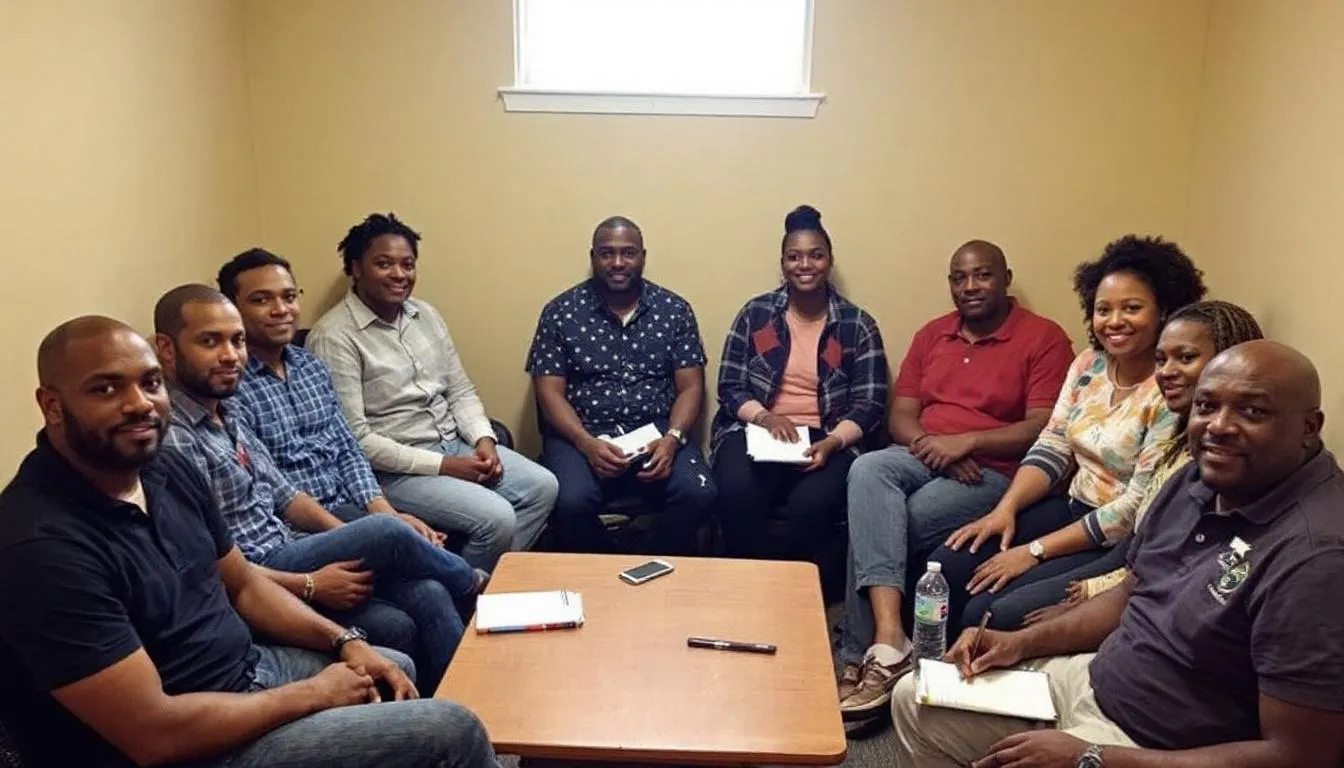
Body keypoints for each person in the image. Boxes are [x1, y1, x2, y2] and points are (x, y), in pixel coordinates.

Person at [0, 316, 498, 768]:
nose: (139, 404)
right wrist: (314, 694)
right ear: (52, 406)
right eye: (106, 389)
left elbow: (241, 586)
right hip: (191, 744)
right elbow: (153, 734)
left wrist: (345, 641)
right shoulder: (41, 547)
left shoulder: (162, 467)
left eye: (149, 384)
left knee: (392, 667)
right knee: (452, 730)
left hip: (244, 672)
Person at [891, 340, 1344, 768]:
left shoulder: (1315, 558)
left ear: (1309, 428)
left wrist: (1093, 758)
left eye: (1253, 410)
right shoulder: (1199, 481)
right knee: (917, 695)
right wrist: (1018, 644)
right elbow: (1131, 593)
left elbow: (1301, 755)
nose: (1219, 426)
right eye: (1207, 406)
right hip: (1099, 677)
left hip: (1153, 746)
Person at [154, 284, 482, 694]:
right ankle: (474, 584)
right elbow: (216, 569)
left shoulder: (227, 408)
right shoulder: (172, 440)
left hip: (291, 543)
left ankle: (468, 707)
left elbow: (286, 495)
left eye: (236, 341)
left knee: (428, 591)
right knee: (388, 537)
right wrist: (311, 581)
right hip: (263, 573)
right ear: (166, 349)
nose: (230, 355)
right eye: (209, 342)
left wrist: (344, 539)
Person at [836, 240, 1074, 719]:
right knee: (867, 468)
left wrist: (969, 444)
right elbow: (902, 415)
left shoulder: (1044, 338)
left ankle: (860, 654)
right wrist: (939, 451)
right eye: (959, 278)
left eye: (982, 275)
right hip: (925, 453)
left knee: (898, 518)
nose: (970, 286)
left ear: (1006, 278)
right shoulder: (932, 335)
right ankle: (889, 641)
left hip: (995, 473)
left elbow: (1045, 426)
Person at [930, 235, 1207, 633]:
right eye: (1103, 309)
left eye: (1132, 308)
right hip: (1071, 503)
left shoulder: (1169, 387)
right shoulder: (1088, 365)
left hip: (1114, 536)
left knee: (988, 609)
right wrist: (1005, 510)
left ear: (1163, 310)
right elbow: (1054, 441)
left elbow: (1134, 506)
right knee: (950, 561)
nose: (1115, 321)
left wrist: (1033, 552)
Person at [308, 212, 557, 570]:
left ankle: (493, 581)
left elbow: (459, 390)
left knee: (543, 486)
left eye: (407, 264)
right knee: (496, 518)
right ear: (356, 268)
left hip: (454, 443)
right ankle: (463, 599)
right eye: (384, 264)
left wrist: (484, 442)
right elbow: (356, 439)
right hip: (394, 470)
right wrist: (446, 466)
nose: (399, 274)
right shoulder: (334, 336)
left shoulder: (425, 314)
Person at [1021, 300, 1263, 626]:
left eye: (1186, 358)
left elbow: (1191, 561)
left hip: (1131, 564)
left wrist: (1097, 590)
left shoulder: (1228, 458)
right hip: (1131, 553)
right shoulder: (1181, 437)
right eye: (1161, 360)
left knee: (1006, 614)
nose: (1166, 371)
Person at [220, 248, 443, 542]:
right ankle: (473, 580)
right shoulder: (231, 386)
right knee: (429, 583)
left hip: (346, 506)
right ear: (231, 310)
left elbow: (348, 448)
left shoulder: (311, 366)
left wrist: (385, 513)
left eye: (289, 297)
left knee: (425, 565)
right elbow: (273, 489)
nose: (281, 310)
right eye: (261, 300)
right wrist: (363, 535)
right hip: (297, 528)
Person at [525, 216, 716, 554]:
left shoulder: (674, 310)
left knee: (700, 493)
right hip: (581, 433)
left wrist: (672, 439)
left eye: (627, 253)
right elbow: (549, 392)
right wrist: (585, 443)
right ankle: (606, 565)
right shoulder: (560, 312)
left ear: (642, 256)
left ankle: (644, 561)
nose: (617, 263)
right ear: (592, 257)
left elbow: (691, 388)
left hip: (657, 432)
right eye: (606, 253)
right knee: (570, 502)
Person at [712, 205, 888, 560]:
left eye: (815, 256)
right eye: (794, 257)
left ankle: (795, 590)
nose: (804, 265)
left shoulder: (858, 324)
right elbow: (730, 386)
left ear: (829, 261)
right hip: (756, 429)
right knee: (735, 491)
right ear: (783, 263)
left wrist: (834, 442)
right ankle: (753, 580)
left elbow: (870, 404)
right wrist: (765, 418)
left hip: (828, 436)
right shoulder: (756, 314)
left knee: (812, 505)